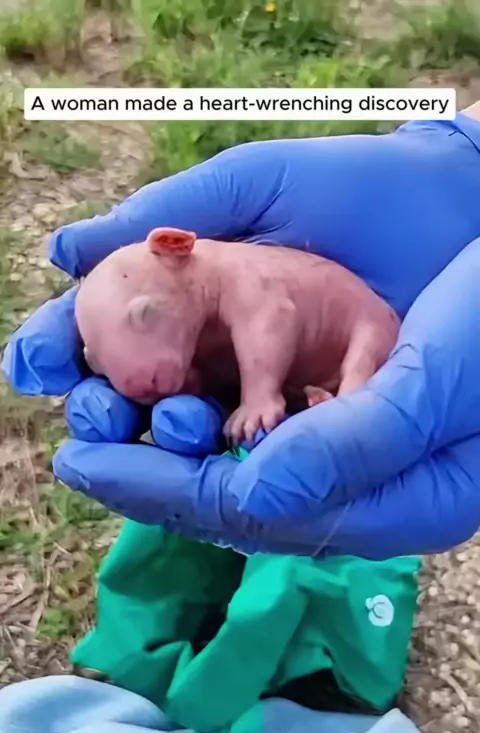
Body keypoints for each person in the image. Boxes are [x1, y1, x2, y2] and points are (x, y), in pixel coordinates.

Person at [5, 108, 480, 560]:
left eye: (147, 315)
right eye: (103, 361)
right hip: (305, 369)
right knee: (226, 421)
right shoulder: (192, 308)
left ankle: (346, 404)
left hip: (362, 330)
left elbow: (272, 319)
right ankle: (317, 412)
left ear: (174, 245)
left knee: (364, 383)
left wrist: (259, 393)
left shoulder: (237, 276)